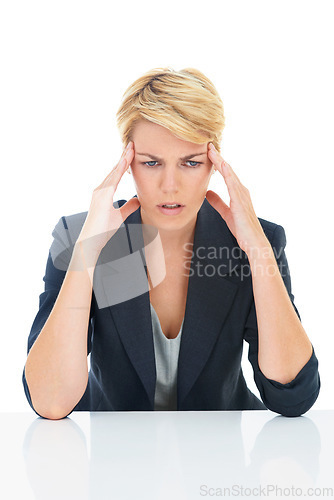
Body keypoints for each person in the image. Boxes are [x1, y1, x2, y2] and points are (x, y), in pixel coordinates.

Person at [22, 67, 320, 420]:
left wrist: (258, 251)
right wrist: (87, 254)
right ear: (127, 162)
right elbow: (50, 402)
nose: (170, 185)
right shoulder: (79, 237)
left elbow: (292, 397)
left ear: (215, 162)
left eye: (190, 162)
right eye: (151, 163)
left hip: (221, 456)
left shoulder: (254, 243)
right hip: (113, 460)